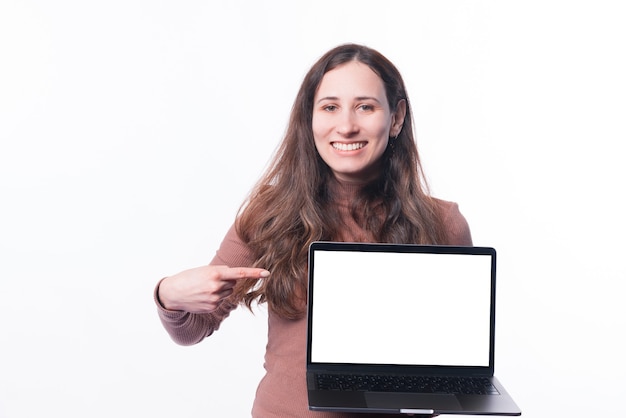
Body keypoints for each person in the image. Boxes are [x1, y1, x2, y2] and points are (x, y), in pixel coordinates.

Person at [154, 43, 472, 417]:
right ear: (310, 117)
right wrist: (169, 293)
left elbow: (456, 358)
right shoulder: (270, 213)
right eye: (330, 107)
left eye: (365, 106)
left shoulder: (443, 223)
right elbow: (191, 329)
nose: (346, 125)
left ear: (397, 117)